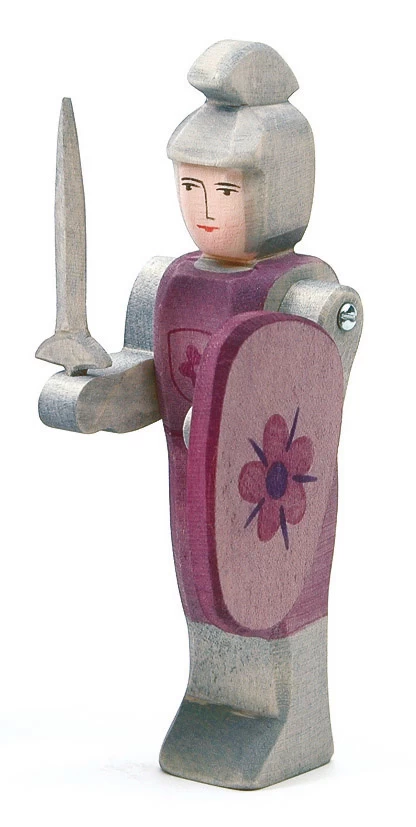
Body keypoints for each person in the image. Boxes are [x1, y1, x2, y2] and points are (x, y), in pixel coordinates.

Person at [38, 40, 362, 789]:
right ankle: (212, 698)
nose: (206, 210)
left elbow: (313, 390)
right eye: (192, 186)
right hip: (193, 495)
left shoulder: (304, 295)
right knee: (205, 599)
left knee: (277, 602)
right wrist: (87, 395)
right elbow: (144, 381)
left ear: (280, 189)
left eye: (227, 190)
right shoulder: (170, 283)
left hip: (276, 507)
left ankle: (291, 717)